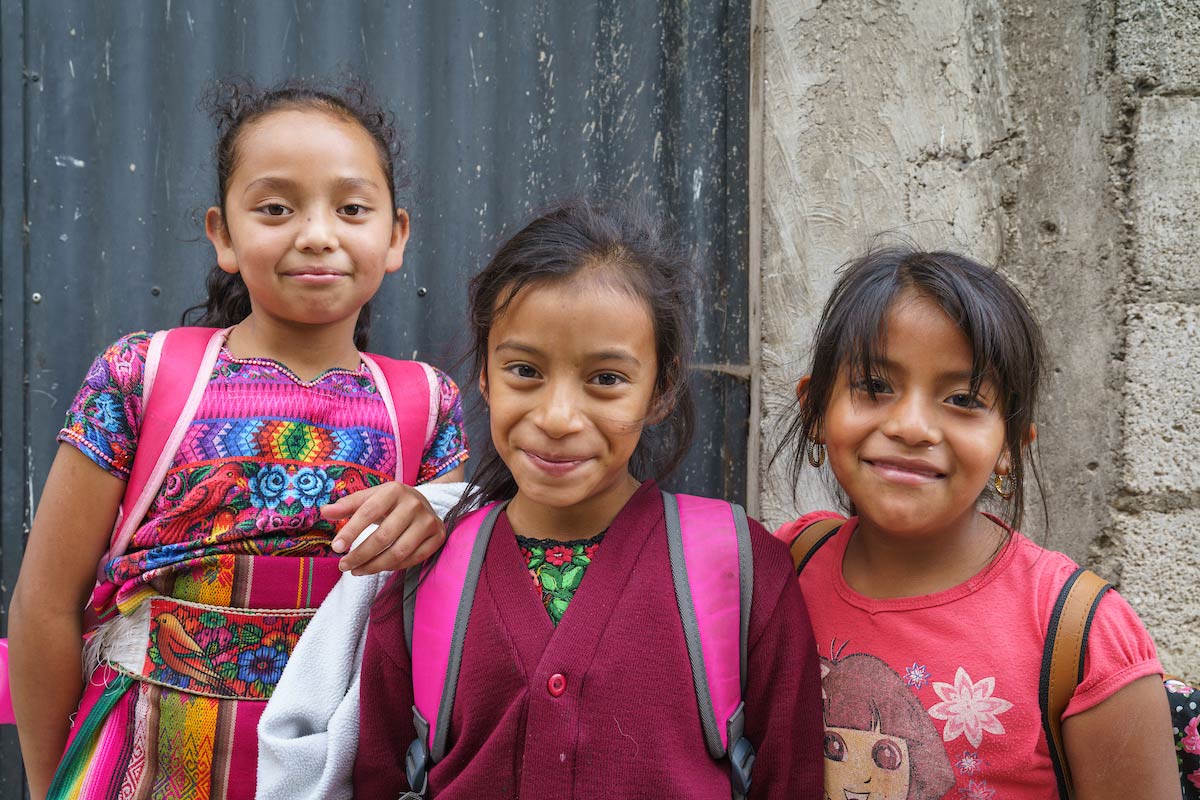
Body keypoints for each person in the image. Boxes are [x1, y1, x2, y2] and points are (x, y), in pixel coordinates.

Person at [8, 77, 467, 800]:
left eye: (351, 208)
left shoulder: (429, 406)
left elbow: (452, 614)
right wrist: (45, 787)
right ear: (223, 234)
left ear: (396, 236)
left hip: (338, 767)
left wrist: (433, 515)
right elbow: (45, 604)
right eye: (277, 208)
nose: (317, 233)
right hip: (147, 763)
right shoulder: (140, 376)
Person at [352, 200, 824, 798]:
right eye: (524, 370)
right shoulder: (428, 574)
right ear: (485, 376)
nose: (556, 418)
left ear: (661, 390)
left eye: (606, 379)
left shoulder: (740, 568)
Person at [774, 245, 1178, 799]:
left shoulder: (1081, 635)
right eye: (874, 387)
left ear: (1010, 446)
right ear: (816, 411)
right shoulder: (788, 565)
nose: (912, 426)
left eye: (962, 398)